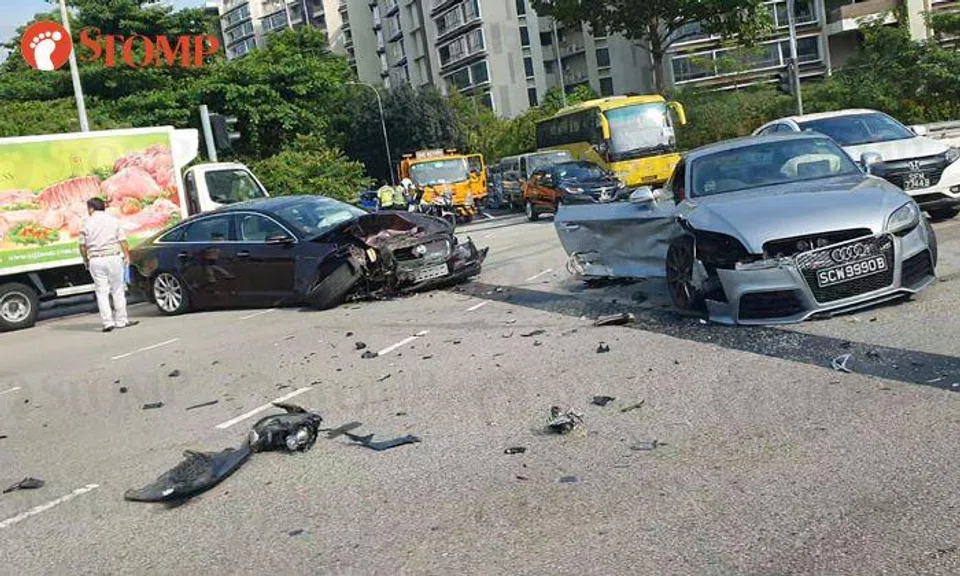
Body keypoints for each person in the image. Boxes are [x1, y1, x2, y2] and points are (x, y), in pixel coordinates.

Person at [79, 197, 138, 333]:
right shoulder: (113, 221)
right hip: (113, 257)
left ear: (91, 208)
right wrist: (126, 256)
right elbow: (122, 240)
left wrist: (85, 259)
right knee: (117, 289)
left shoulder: (86, 223)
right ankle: (121, 320)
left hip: (96, 259)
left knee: (101, 292)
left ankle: (107, 323)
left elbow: (82, 245)